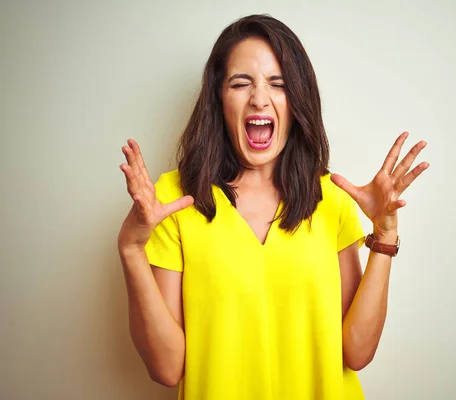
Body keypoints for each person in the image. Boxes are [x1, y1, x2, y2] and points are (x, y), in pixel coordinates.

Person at [118, 14, 428, 400]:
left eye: (278, 84)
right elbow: (166, 369)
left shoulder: (331, 198)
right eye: (240, 83)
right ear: (219, 98)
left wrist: (384, 236)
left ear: (296, 100)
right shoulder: (173, 200)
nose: (259, 98)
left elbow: (357, 351)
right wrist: (131, 250)